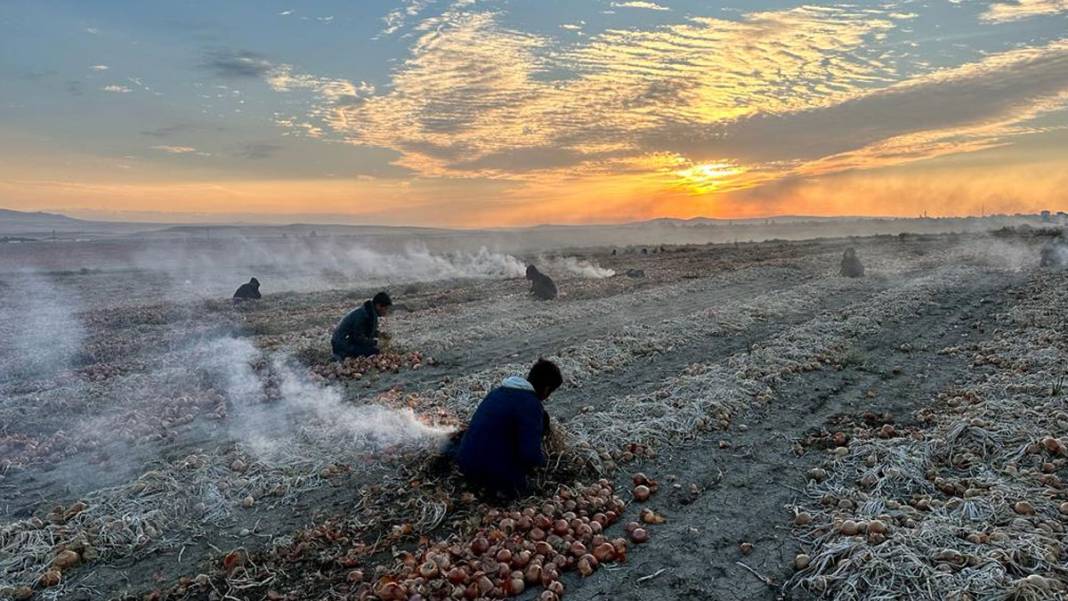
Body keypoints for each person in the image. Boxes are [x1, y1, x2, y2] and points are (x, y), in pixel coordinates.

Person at [457, 359, 563, 499]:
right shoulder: (531, 405)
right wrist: (544, 462)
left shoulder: (497, 392)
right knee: (538, 490)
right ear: (547, 389)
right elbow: (530, 455)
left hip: (464, 461)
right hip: (491, 472)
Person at [331, 291, 392, 359]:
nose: (387, 311)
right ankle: (342, 355)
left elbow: (365, 331)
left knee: (372, 349)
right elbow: (357, 337)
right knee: (374, 351)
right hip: (341, 344)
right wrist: (376, 342)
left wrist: (379, 334)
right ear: (378, 306)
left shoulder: (368, 312)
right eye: (386, 308)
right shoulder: (363, 315)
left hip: (345, 341)